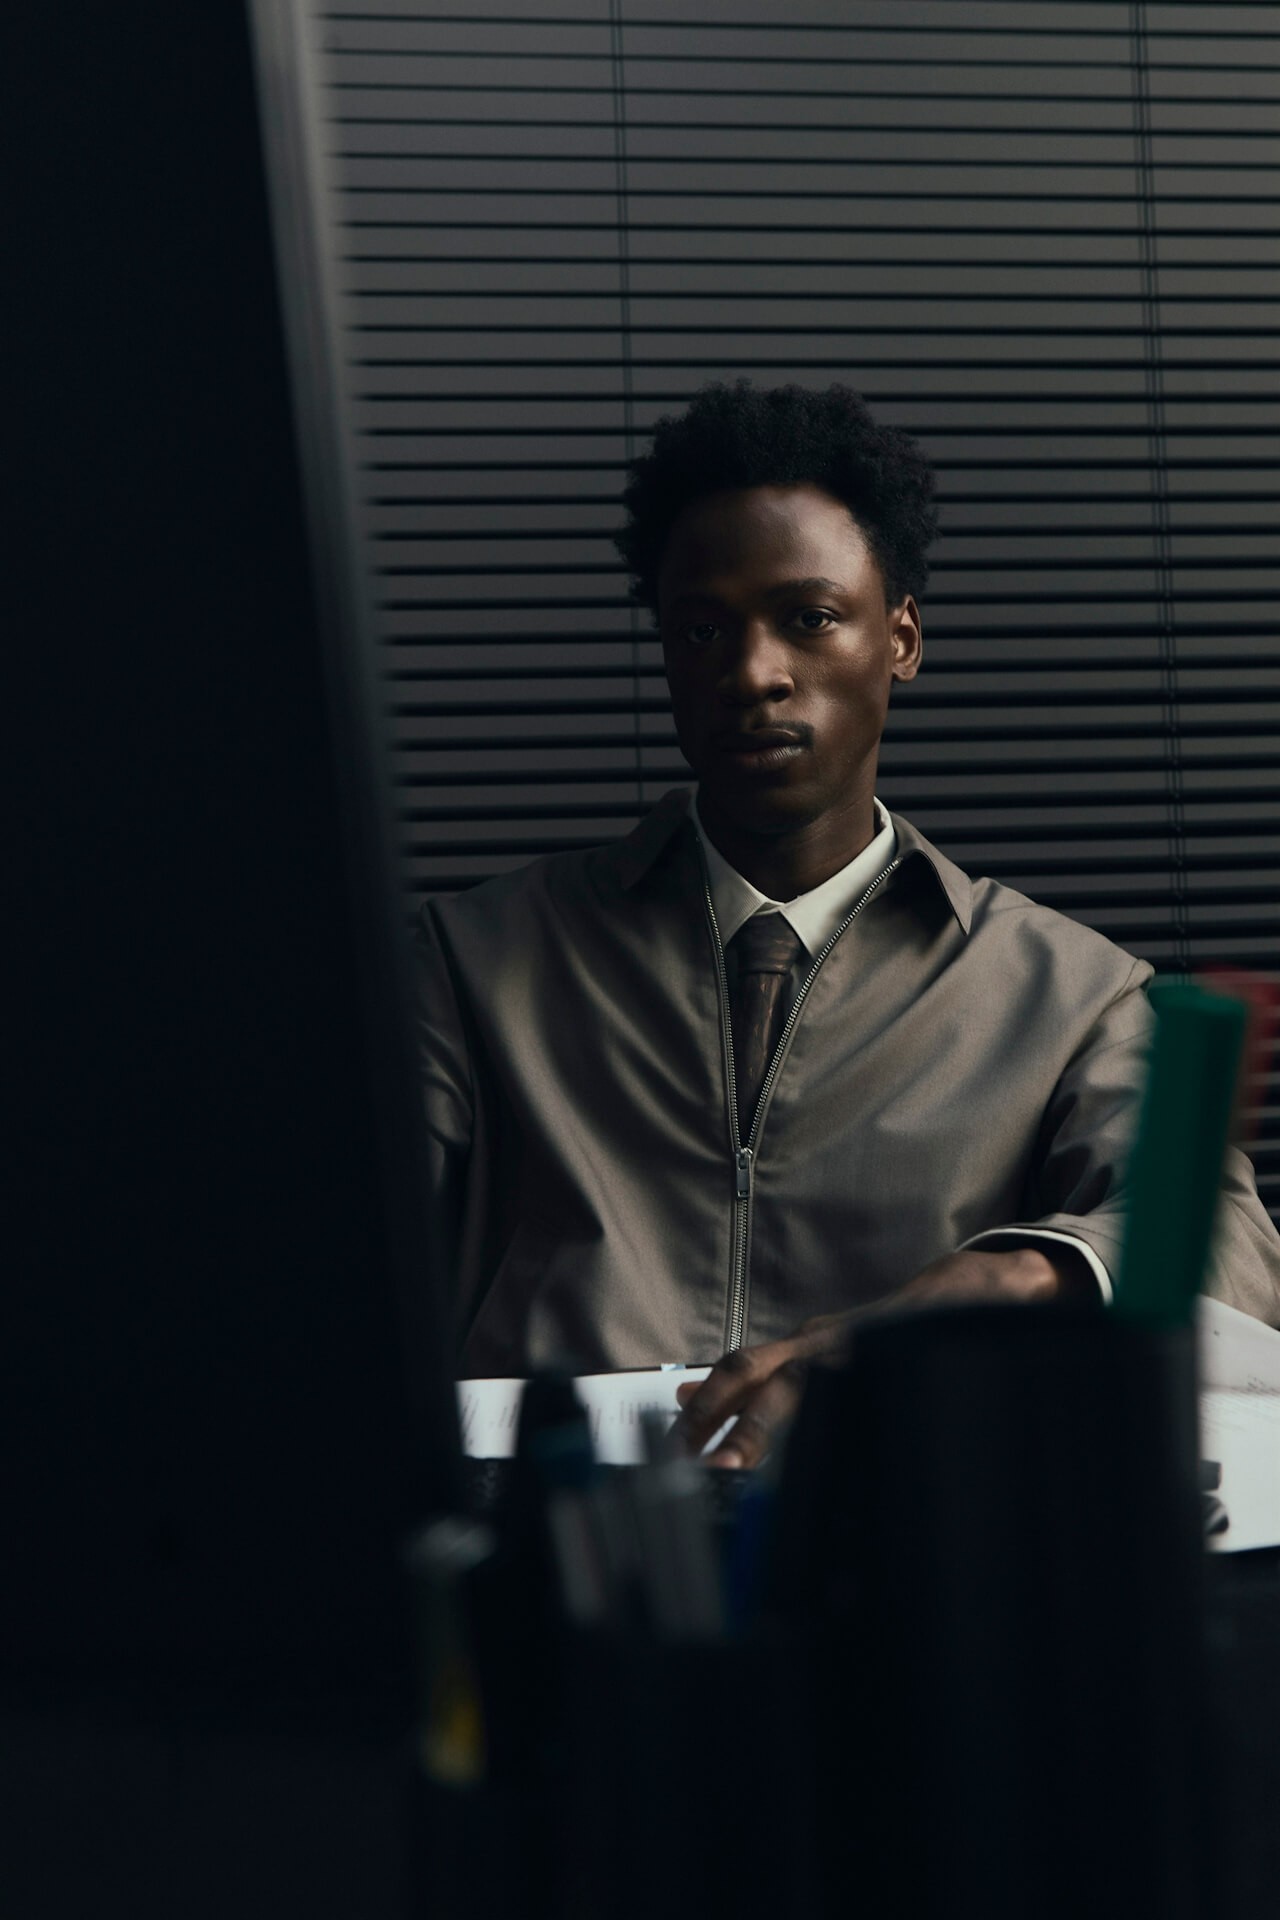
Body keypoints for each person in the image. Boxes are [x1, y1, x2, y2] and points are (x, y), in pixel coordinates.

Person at [414, 380, 1280, 1469]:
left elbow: (1223, 1249)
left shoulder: (1073, 994)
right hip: (561, 1557)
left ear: (899, 639)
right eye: (700, 629)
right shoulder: (469, 960)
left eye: (808, 618)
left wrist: (1001, 1280)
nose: (752, 674)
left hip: (911, 1542)